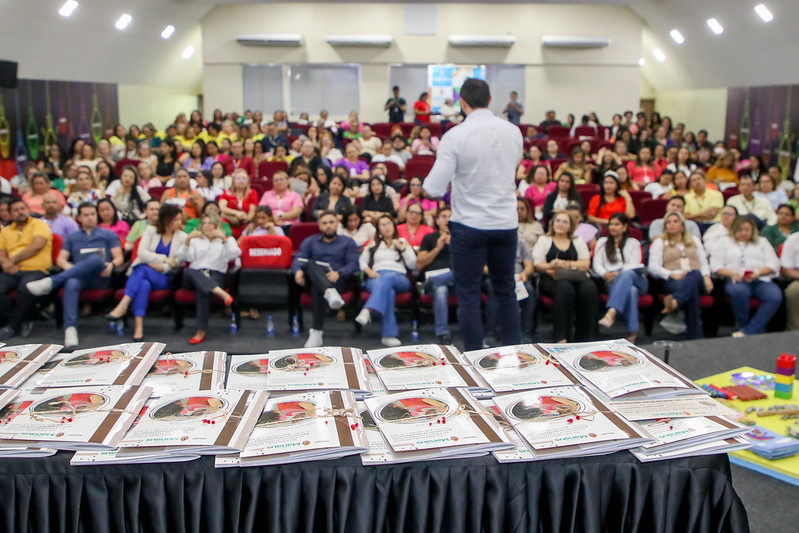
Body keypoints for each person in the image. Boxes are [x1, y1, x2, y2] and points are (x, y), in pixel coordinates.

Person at [423, 78, 523, 350]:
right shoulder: (514, 131)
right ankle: (516, 352)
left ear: (462, 103)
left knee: (468, 294)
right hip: (505, 223)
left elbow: (433, 188)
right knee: (506, 291)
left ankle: (474, 359)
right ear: (490, 100)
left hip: (469, 226)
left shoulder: (455, 135)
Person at [26, 203, 123, 348]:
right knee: (71, 282)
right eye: (86, 215)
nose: (90, 218)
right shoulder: (73, 237)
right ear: (79, 218)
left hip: (101, 276)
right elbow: (60, 259)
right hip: (80, 277)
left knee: (96, 259)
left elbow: (119, 257)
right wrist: (68, 267)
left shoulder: (108, 234)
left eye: (92, 214)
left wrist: (112, 265)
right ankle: (70, 328)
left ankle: (51, 282)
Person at [105, 204, 187, 341]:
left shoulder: (182, 236)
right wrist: (165, 259)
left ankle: (124, 304)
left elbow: (178, 261)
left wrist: (163, 266)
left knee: (141, 269)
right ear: (166, 220)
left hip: (164, 277)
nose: (180, 223)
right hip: (146, 274)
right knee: (143, 284)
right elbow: (141, 253)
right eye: (176, 219)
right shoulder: (151, 231)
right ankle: (139, 327)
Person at [293, 211, 360, 347]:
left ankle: (317, 333)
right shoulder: (310, 241)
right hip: (311, 279)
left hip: (337, 281)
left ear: (337, 224)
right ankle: (328, 291)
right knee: (310, 263)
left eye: (331, 222)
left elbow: (354, 264)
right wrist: (297, 271)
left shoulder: (348, 242)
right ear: (320, 226)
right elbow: (299, 259)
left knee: (318, 287)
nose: (328, 226)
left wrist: (339, 272)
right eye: (324, 223)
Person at [710, 215, 782, 337]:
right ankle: (742, 325)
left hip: (760, 279)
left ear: (752, 230)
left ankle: (749, 331)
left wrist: (757, 273)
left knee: (774, 296)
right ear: (734, 230)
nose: (743, 233)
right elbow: (715, 265)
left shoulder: (762, 242)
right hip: (736, 279)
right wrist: (732, 273)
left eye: (747, 230)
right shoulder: (724, 242)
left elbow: (774, 264)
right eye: (740, 230)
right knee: (739, 292)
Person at [532, 210, 598, 343]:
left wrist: (563, 264)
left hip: (575, 277)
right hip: (550, 278)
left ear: (570, 226)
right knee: (565, 288)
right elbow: (538, 264)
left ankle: (586, 338)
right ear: (552, 223)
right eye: (558, 220)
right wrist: (552, 265)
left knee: (589, 288)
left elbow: (585, 263)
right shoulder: (544, 239)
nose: (560, 224)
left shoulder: (577, 240)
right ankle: (561, 337)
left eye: (565, 222)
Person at [648, 211, 713, 340]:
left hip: (697, 278)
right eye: (668, 222)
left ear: (682, 225)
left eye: (675, 221)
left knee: (694, 274)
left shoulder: (694, 240)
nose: (671, 224)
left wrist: (707, 277)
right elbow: (653, 267)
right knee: (692, 291)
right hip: (673, 279)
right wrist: (671, 274)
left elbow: (703, 261)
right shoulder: (660, 242)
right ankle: (695, 335)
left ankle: (675, 301)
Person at [177, 212, 240, 344]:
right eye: (204, 223)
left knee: (203, 289)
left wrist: (223, 238)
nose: (206, 226)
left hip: (216, 274)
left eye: (210, 223)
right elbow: (183, 258)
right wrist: (188, 240)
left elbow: (234, 254)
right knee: (191, 271)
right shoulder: (195, 240)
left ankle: (201, 331)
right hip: (193, 275)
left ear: (217, 225)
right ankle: (221, 293)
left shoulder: (227, 240)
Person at [355, 215, 416, 347]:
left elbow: (412, 264)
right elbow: (361, 261)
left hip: (399, 277)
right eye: (382, 225)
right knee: (389, 292)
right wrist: (369, 271)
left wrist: (402, 249)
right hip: (376, 277)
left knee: (388, 278)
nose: (386, 227)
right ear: (378, 229)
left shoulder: (402, 241)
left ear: (394, 225)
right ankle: (388, 335)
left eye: (388, 224)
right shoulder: (373, 243)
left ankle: (368, 310)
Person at [0, 199, 53, 340]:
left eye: (23, 208)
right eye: (16, 210)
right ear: (10, 214)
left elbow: (36, 246)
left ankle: (12, 326)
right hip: (12, 271)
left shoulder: (39, 225)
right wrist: (6, 264)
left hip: (36, 269)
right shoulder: (6, 231)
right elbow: (1, 252)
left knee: (26, 288)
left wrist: (11, 260)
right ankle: (23, 318)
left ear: (28, 209)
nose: (20, 212)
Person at [595, 213, 647, 343]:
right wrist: (605, 274)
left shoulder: (633, 242)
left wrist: (619, 272)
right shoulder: (602, 242)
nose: (613, 227)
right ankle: (632, 333)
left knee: (626, 274)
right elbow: (597, 264)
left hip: (636, 277)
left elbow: (634, 265)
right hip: (611, 279)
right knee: (631, 291)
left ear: (625, 227)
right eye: (611, 224)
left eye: (617, 224)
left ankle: (611, 312)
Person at [417, 207, 455, 344]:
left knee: (461, 271)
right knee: (440, 290)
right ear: (437, 220)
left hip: (458, 281)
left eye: (450, 216)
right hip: (438, 277)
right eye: (444, 216)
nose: (447, 219)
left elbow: (470, 263)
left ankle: (431, 282)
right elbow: (420, 264)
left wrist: (453, 246)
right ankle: (443, 333)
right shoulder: (429, 238)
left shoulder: (461, 238)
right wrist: (438, 248)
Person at [780, 232, 799, 330]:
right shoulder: (793, 240)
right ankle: (795, 330)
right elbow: (786, 270)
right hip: (798, 277)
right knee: (793, 291)